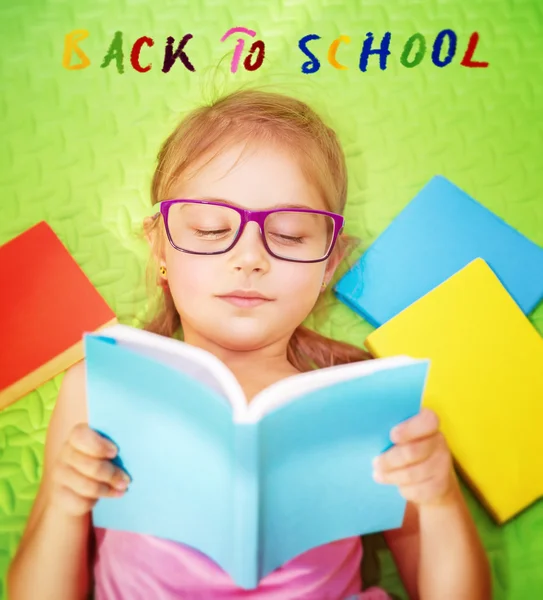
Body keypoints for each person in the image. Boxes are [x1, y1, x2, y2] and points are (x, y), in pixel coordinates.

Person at [7, 87, 492, 600]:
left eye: (287, 234)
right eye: (211, 228)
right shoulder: (100, 388)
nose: (249, 258)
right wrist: (65, 503)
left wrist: (439, 501)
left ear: (328, 263)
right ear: (160, 248)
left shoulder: (366, 403)